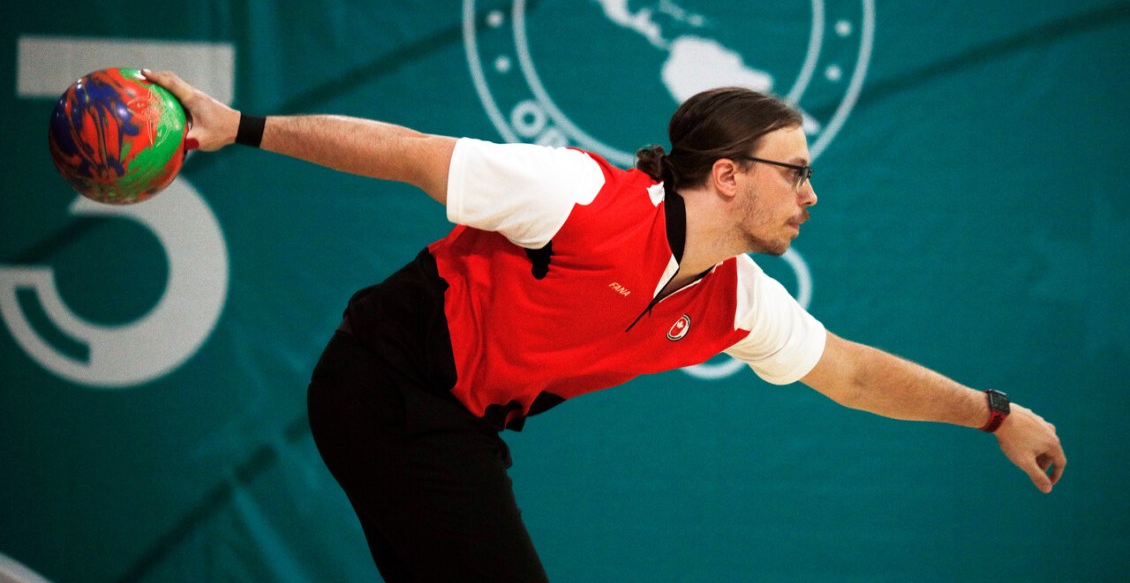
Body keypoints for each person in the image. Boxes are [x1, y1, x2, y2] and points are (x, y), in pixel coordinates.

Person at [144, 69, 1065, 583]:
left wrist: (994, 413)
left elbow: (853, 374)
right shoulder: (580, 196)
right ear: (730, 177)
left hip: (456, 423)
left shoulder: (733, 298)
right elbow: (409, 154)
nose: (811, 194)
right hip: (386, 381)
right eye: (796, 172)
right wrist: (242, 127)